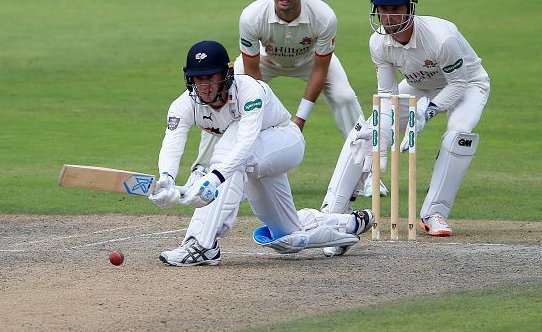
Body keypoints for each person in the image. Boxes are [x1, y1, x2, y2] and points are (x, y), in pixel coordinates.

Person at [148, 40, 374, 266]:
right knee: (287, 237)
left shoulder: (250, 91)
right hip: (254, 160)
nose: (204, 86)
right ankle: (350, 224)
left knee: (230, 152)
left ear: (226, 74)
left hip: (285, 142)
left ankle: (201, 245)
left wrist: (212, 180)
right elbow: (172, 143)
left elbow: (244, 145)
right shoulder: (184, 104)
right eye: (198, 79)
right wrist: (166, 178)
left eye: (210, 78)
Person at [189, 0, 388, 199]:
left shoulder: (324, 17)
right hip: (265, 60)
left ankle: (368, 176)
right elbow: (253, 76)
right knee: (222, 98)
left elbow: (320, 69)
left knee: (345, 98)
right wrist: (261, 118)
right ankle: (203, 171)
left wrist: (299, 119)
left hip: (311, 62)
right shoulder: (252, 16)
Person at [322, 0, 490, 253]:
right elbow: (387, 95)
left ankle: (434, 213)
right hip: (417, 85)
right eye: (383, 9)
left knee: (458, 135)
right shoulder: (378, 43)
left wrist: (430, 111)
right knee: (365, 132)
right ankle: (333, 208)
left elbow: (458, 84)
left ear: (410, 7)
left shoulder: (441, 38)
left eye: (395, 8)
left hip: (468, 84)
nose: (388, 16)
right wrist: (380, 131)